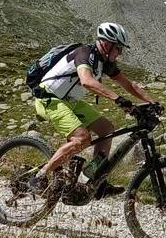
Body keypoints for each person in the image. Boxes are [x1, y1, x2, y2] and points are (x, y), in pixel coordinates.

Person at [29, 22, 156, 197]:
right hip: (48, 98)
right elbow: (87, 81)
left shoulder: (105, 63)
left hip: (69, 101)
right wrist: (117, 99)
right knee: (81, 138)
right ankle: (40, 175)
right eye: (118, 48)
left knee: (107, 130)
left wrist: (153, 102)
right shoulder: (84, 53)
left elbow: (129, 85)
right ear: (106, 44)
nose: (120, 53)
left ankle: (95, 179)